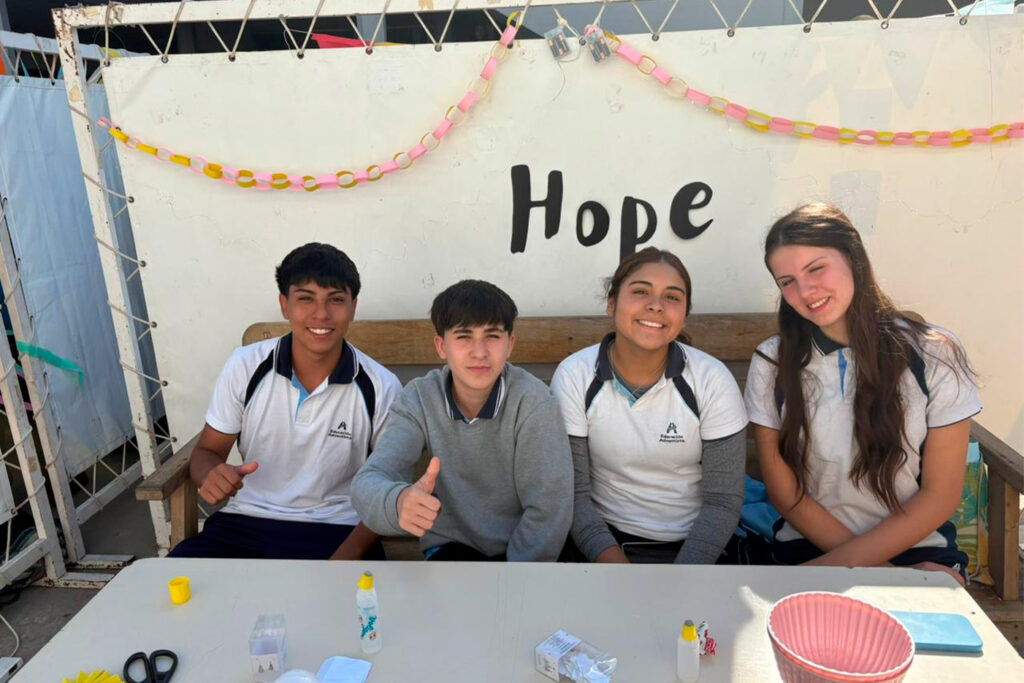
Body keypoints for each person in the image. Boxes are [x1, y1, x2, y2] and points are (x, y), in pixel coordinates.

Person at [745, 203, 980, 583]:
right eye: (786, 281)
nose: (805, 290)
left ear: (854, 259)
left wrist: (886, 575)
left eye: (816, 268)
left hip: (917, 552)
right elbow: (785, 492)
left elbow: (940, 494)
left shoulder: (935, 353)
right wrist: (885, 578)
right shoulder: (772, 362)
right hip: (807, 548)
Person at [169, 243, 401, 560]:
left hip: (340, 530)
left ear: (353, 307)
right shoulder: (245, 366)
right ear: (284, 305)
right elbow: (208, 451)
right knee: (180, 588)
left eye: (336, 300)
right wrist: (210, 475)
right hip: (245, 523)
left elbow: (386, 488)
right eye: (306, 299)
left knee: (357, 608)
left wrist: (347, 555)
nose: (321, 314)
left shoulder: (381, 386)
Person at [351, 279, 572, 561]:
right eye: (464, 336)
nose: (479, 352)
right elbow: (368, 481)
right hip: (451, 549)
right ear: (441, 346)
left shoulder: (533, 402)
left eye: (492, 336)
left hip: (524, 555)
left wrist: (511, 582)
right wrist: (398, 502)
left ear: (510, 344)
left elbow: (549, 508)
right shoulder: (419, 398)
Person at [551, 248, 748, 564]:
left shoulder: (712, 379)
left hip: (696, 547)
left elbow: (722, 502)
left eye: (672, 297)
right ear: (612, 303)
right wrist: (619, 570)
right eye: (640, 291)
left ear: (684, 313)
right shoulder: (575, 376)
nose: (655, 305)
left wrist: (679, 579)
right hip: (604, 543)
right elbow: (573, 495)